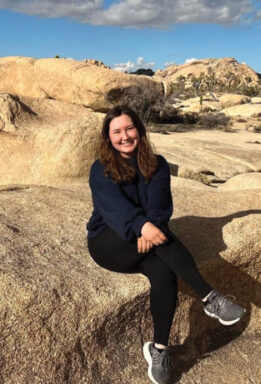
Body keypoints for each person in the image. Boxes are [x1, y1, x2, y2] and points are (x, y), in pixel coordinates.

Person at [87, 105, 246, 384]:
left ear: (140, 129)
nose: (124, 136)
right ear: (108, 137)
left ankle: (159, 350)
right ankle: (210, 297)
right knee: (163, 237)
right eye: (116, 132)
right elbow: (114, 210)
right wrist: (143, 227)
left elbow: (161, 206)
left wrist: (150, 229)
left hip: (148, 240)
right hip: (108, 242)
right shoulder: (101, 168)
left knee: (164, 272)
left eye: (129, 128)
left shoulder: (157, 164)